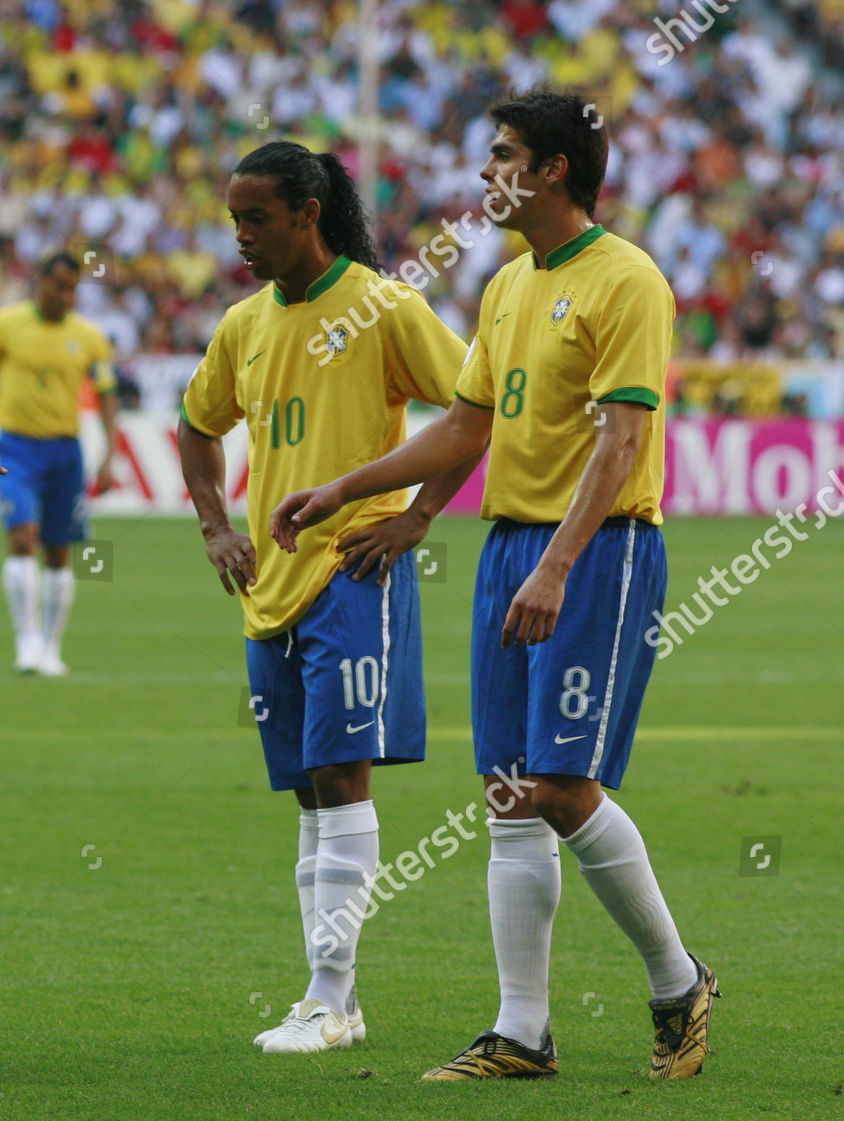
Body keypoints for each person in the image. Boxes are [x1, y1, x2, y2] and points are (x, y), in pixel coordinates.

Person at [271, 91, 716, 1081]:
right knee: (510, 793)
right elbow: (470, 426)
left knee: (560, 782)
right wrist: (366, 491)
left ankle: (678, 979)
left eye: (503, 153)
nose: (486, 173)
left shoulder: (628, 280)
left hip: (596, 550)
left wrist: (560, 560)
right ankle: (522, 1032)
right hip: (507, 544)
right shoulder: (509, 284)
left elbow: (625, 436)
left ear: (554, 167)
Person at [178, 140, 479, 1054]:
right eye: (233, 219)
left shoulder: (385, 307)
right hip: (269, 588)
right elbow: (196, 428)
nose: (240, 237)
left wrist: (417, 517)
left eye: (256, 218)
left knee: (343, 780)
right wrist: (216, 527)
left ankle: (333, 997)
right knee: (311, 796)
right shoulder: (243, 323)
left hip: (353, 573)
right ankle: (325, 997)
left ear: (309, 214)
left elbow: (480, 410)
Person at [0, 250, 119, 676]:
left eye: (72, 288)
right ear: (39, 282)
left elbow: (107, 393)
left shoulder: (90, 335)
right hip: (15, 450)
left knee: (59, 552)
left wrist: (109, 454)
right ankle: (26, 640)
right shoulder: (5, 322)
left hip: (65, 452)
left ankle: (51, 648)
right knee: (23, 537)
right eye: (58, 285)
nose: (65, 295)